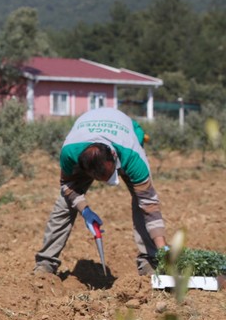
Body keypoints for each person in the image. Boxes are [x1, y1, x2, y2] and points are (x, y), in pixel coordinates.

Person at [34, 107, 167, 276]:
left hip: (123, 143)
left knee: (141, 203)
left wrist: (163, 249)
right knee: (65, 204)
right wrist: (85, 210)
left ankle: (151, 261)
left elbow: (149, 205)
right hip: (86, 142)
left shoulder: (133, 156)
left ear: (114, 157)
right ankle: (45, 263)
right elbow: (67, 185)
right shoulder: (70, 153)